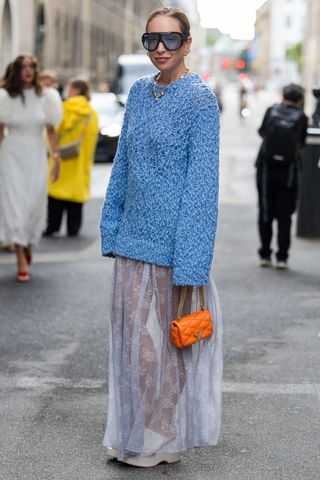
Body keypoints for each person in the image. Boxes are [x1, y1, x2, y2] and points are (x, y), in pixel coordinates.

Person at [100, 7, 222, 468]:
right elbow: (122, 165)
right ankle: (135, 435)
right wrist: (110, 226)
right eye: (152, 41)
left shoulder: (200, 100)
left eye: (171, 40)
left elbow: (202, 186)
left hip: (173, 249)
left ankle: (162, 438)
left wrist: (191, 263)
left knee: (161, 353)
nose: (161, 50)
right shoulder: (137, 91)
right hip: (131, 242)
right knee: (133, 348)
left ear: (187, 44)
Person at [0, 55, 62, 282]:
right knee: (13, 204)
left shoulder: (46, 97)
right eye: (23, 67)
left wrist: (56, 159)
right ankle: (20, 257)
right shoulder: (5, 97)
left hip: (36, 154)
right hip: (11, 155)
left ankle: (26, 245)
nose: (28, 70)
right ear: (16, 70)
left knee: (33, 204)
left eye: (32, 66)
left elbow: (51, 131)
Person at [256, 83, 308, 269]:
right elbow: (301, 142)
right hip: (289, 173)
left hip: (266, 169)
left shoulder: (272, 111)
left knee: (265, 211)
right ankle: (283, 257)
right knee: (285, 215)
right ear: (299, 99)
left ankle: (265, 254)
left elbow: (262, 132)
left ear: (283, 95)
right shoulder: (302, 117)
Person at [45, 79, 99, 237]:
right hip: (81, 162)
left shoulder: (65, 108)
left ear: (75, 89)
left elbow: (54, 131)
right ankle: (73, 228)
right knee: (76, 196)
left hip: (61, 159)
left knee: (56, 195)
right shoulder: (92, 113)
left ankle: (53, 226)